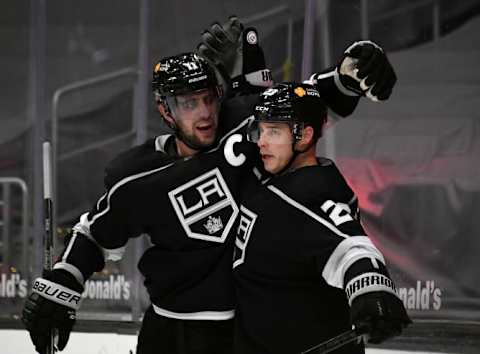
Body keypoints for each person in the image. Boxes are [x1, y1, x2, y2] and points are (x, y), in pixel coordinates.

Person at [21, 17, 398, 354]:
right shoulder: (135, 176)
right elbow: (95, 232)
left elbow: (306, 105)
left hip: (241, 329)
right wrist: (62, 283)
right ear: (164, 110)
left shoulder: (244, 124)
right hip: (170, 331)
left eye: (207, 99)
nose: (203, 113)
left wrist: (350, 75)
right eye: (188, 103)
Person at [232, 82, 411, 354]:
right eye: (261, 129)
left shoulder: (311, 193)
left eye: (274, 131)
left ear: (304, 137)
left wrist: (370, 286)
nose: (262, 141)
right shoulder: (278, 176)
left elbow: (350, 245)